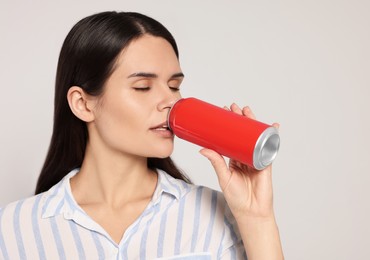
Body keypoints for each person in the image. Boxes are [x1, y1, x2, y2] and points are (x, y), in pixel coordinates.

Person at [0, 11, 283, 259]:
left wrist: (257, 218)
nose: (170, 102)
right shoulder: (14, 228)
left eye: (174, 86)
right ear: (83, 104)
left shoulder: (217, 215)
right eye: (143, 87)